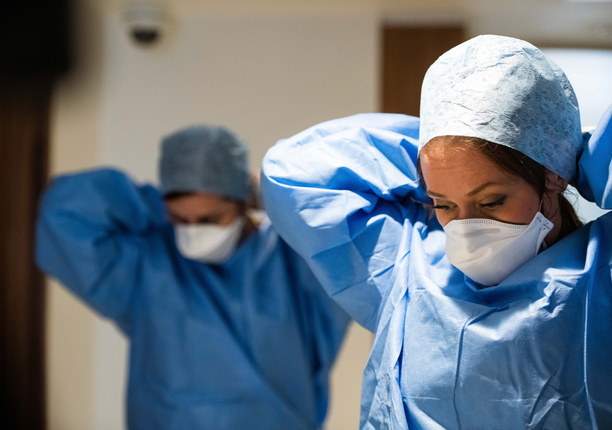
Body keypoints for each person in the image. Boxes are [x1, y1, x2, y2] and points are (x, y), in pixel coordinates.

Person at [261, 35, 612, 429]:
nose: (466, 228)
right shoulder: (408, 262)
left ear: (551, 180)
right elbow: (292, 171)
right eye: (443, 204)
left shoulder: (601, 272)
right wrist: (450, 144)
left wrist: (569, 157)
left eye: (492, 201)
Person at [36, 126, 350, 429]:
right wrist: (155, 203)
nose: (193, 231)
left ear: (244, 202)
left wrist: (273, 197)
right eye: (179, 218)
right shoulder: (147, 262)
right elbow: (62, 210)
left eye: (209, 218)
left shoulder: (292, 260)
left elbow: (346, 215)